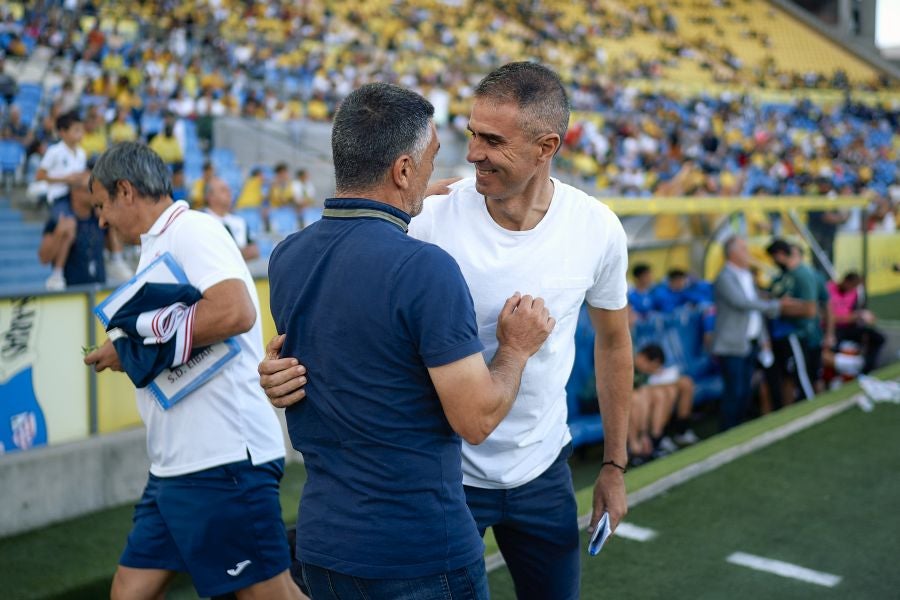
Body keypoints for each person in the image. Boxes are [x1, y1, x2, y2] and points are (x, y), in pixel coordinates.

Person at [261, 62, 632, 599]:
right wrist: (282, 366)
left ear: (547, 145)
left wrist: (616, 463)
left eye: (493, 140)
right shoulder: (428, 217)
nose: (474, 151)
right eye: (472, 133)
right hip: (447, 480)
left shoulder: (596, 228)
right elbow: (344, 282)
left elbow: (615, 343)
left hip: (542, 467)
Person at [83, 142, 301, 600]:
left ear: (125, 191)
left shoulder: (192, 229)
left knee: (270, 595)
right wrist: (127, 348)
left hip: (222, 459)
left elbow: (234, 312)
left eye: (102, 206)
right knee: (127, 590)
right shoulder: (159, 245)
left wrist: (134, 349)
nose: (101, 220)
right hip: (175, 466)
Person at [711, 236, 790, 430]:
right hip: (732, 344)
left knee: (745, 390)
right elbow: (742, 303)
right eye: (744, 249)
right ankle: (726, 432)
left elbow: (754, 311)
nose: (748, 253)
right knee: (734, 391)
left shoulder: (746, 275)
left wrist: (764, 339)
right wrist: (775, 306)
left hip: (751, 342)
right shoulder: (724, 277)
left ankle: (737, 428)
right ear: (733, 253)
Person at [765, 239, 820, 405]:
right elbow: (770, 297)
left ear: (780, 254)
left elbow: (811, 310)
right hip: (780, 335)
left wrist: (779, 307)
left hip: (796, 333)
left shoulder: (803, 274)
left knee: (802, 377)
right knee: (785, 378)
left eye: (774, 257)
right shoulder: (783, 276)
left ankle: (812, 409)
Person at [38, 171, 106, 290]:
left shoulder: (97, 217)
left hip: (98, 288)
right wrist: (59, 233)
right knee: (68, 231)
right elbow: (44, 258)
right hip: (70, 292)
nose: (94, 194)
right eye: (89, 190)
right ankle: (57, 275)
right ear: (75, 192)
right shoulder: (59, 218)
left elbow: (116, 242)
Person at [827, 272, 885, 374]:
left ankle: (866, 369)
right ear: (845, 281)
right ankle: (843, 371)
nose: (853, 288)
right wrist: (853, 317)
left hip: (849, 327)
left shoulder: (854, 293)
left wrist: (865, 317)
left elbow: (854, 313)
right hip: (832, 328)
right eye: (852, 285)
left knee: (877, 337)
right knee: (831, 348)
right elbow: (830, 317)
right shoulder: (828, 289)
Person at [35, 110, 86, 217]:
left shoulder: (82, 153)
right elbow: (39, 176)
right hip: (58, 196)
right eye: (76, 130)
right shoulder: (54, 151)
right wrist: (65, 179)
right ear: (63, 132)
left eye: (81, 130)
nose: (80, 134)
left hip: (77, 196)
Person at [204, 177, 259, 261]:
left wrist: (228, 254)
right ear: (210, 196)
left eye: (229, 190)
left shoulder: (240, 221)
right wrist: (240, 253)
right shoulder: (202, 220)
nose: (229, 193)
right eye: (223, 190)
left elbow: (254, 251)